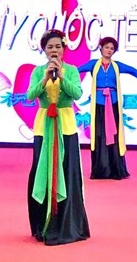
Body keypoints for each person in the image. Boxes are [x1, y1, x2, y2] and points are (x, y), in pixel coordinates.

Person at [26, 29, 90, 245]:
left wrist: (62, 77)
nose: (54, 50)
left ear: (64, 49)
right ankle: (41, 224)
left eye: (58, 46)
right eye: (50, 47)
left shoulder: (71, 70)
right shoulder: (38, 71)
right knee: (41, 171)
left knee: (67, 171)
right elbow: (30, 95)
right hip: (43, 127)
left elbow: (78, 94)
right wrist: (44, 79)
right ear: (43, 50)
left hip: (66, 125)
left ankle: (66, 224)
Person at [77, 37, 137, 180]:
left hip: (113, 104)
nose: (109, 50)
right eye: (107, 47)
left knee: (114, 135)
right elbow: (76, 71)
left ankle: (116, 170)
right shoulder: (93, 64)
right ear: (101, 48)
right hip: (99, 105)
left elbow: (133, 71)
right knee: (99, 135)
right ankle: (101, 169)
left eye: (112, 48)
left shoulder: (116, 65)